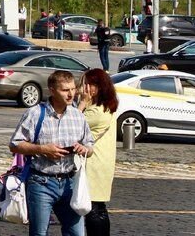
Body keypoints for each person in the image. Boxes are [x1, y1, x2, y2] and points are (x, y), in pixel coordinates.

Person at [9, 69, 95, 236]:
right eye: (65, 90)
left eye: (73, 89)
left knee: (76, 232)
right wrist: (42, 149)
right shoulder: (35, 113)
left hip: (69, 182)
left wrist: (84, 149)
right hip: (41, 181)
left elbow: (90, 146)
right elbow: (15, 144)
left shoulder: (78, 115)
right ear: (52, 90)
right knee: (39, 232)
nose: (71, 94)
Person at [78, 69, 119, 236]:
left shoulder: (99, 111)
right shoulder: (98, 106)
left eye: (88, 84)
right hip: (97, 163)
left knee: (94, 208)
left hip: (94, 165)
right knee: (95, 206)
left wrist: (81, 103)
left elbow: (72, 123)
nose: (84, 88)